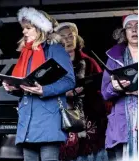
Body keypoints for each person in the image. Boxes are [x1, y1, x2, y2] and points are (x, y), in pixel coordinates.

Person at [2, 7, 75, 161]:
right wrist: (13, 88)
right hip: (28, 121)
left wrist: (45, 90)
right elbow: (26, 85)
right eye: (23, 29)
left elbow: (70, 81)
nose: (24, 32)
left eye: (28, 28)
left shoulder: (55, 49)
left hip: (48, 118)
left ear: (40, 29)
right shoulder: (25, 53)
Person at [56, 22, 108, 161]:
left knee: (92, 154)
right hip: (66, 116)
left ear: (76, 37)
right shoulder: (53, 63)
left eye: (70, 36)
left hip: (90, 115)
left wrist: (87, 90)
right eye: (63, 37)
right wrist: (65, 94)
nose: (68, 40)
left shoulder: (89, 61)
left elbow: (103, 86)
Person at [101, 14, 138, 161]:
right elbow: (105, 92)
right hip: (122, 123)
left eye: (138, 26)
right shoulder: (114, 57)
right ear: (124, 32)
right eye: (129, 27)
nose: (134, 30)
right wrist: (115, 87)